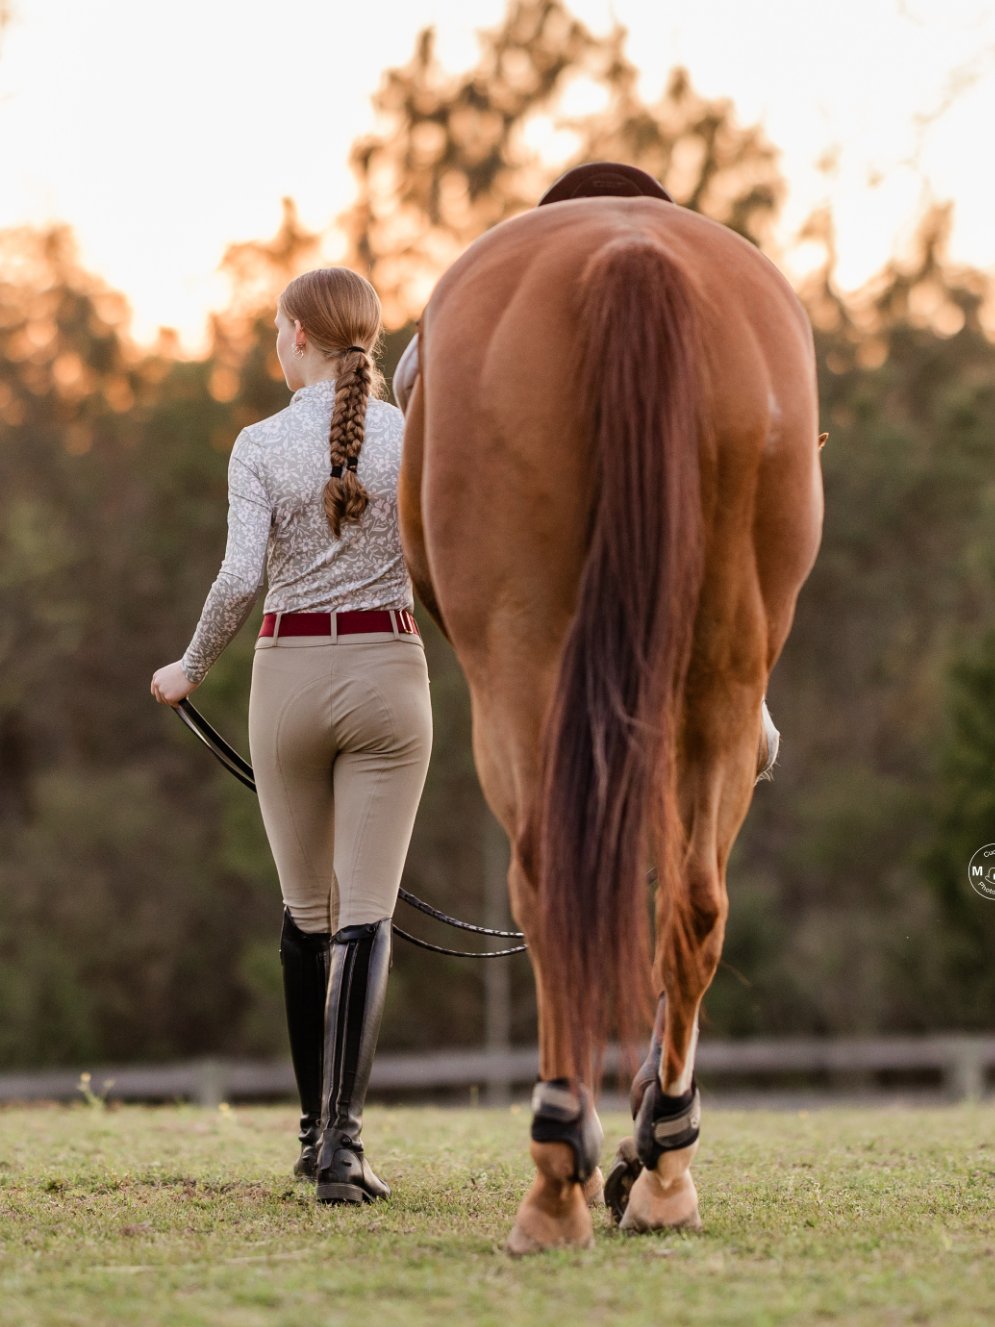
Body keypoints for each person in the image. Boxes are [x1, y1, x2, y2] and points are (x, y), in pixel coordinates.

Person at [151, 268, 432, 1205]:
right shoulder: (411, 436)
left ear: (300, 333)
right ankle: (345, 1149)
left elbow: (240, 578)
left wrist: (190, 667)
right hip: (390, 679)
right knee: (366, 915)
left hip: (288, 681)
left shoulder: (258, 444)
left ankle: (314, 1136)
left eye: (278, 327)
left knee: (307, 915)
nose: (277, 341)